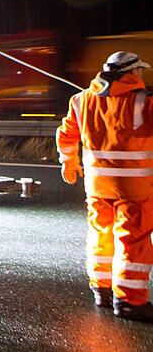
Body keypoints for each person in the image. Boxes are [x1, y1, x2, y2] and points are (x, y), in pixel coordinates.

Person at [57, 51, 153, 321]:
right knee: (132, 242)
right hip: (134, 188)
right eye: (139, 71)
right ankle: (130, 300)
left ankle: (102, 290)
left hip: (97, 186)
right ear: (132, 73)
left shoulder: (80, 99)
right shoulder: (143, 102)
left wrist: (69, 162)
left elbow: (66, 134)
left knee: (101, 235)